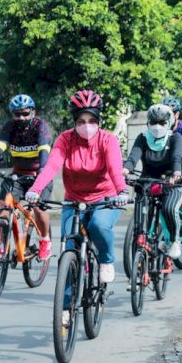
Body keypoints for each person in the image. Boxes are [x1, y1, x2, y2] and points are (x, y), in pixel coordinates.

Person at [26, 89, 128, 291]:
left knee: (98, 225)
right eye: (81, 121)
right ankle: (65, 311)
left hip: (105, 198)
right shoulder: (65, 139)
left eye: (91, 120)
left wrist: (122, 192)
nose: (86, 126)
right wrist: (35, 189)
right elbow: (52, 166)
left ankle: (106, 260)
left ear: (98, 120)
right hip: (73, 200)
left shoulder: (108, 140)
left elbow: (115, 170)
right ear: (74, 122)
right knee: (68, 251)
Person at [0, 94, 53, 260]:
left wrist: (43, 169)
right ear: (13, 114)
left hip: (39, 175)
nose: (22, 117)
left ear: (33, 112)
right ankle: (1, 248)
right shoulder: (10, 127)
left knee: (38, 208)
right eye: (17, 114)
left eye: (25, 113)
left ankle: (45, 240)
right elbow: (0, 145)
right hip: (18, 175)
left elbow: (44, 149)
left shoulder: (40, 126)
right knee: (2, 207)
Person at [122, 104, 182, 259]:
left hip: (170, 182)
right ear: (148, 123)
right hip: (147, 181)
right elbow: (133, 158)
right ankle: (140, 243)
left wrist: (176, 173)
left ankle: (174, 241)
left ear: (169, 123)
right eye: (154, 122)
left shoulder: (175, 138)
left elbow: (177, 158)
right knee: (140, 213)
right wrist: (124, 171)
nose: (157, 127)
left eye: (162, 123)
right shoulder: (143, 138)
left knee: (169, 209)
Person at [161, 97, 182, 238]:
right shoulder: (160, 127)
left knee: (180, 188)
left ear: (176, 114)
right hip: (167, 161)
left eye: (170, 113)